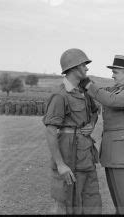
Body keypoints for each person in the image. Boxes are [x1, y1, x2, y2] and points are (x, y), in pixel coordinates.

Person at [79, 55, 124, 214]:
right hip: (114, 153)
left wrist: (87, 83)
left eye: (115, 72)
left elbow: (110, 100)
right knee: (120, 201)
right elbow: (100, 93)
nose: (112, 75)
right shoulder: (116, 89)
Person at [42, 48, 102, 214]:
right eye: (84, 64)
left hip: (86, 155)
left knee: (91, 201)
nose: (87, 68)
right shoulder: (60, 95)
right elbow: (50, 131)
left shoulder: (85, 93)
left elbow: (95, 111)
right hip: (68, 155)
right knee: (67, 203)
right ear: (75, 67)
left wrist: (91, 123)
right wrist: (61, 165)